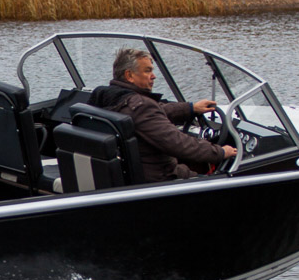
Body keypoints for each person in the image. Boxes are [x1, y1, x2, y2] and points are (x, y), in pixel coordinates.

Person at [91, 47, 237, 182]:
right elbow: (179, 143)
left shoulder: (110, 98)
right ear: (129, 75)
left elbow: (156, 111)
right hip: (161, 177)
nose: (153, 76)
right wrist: (220, 152)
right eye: (147, 71)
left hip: (131, 174)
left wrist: (191, 108)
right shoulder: (141, 106)